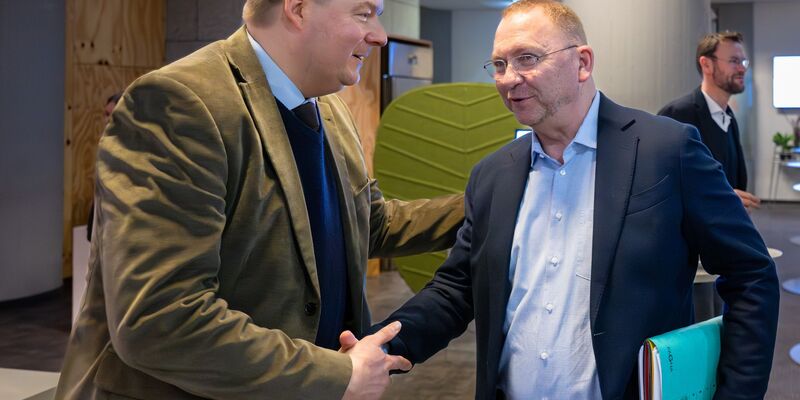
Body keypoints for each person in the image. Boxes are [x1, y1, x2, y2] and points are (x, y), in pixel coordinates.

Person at [366, 1, 779, 399]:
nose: (509, 78)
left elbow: (751, 275)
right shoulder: (493, 176)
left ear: (582, 62)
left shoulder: (666, 150)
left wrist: (737, 391)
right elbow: (457, 289)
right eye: (499, 64)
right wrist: (380, 346)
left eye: (527, 58)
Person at [55, 0, 464, 399]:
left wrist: (491, 199)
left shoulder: (329, 109)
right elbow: (160, 319)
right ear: (299, 8)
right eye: (364, 13)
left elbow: (368, 225)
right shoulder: (180, 103)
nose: (378, 36)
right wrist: (335, 375)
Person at [659, 32, 760, 210]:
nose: (742, 69)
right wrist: (721, 198)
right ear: (706, 64)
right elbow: (660, 183)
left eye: (743, 62)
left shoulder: (728, 117)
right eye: (734, 61)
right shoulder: (677, 115)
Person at [86, 92, 122, 241]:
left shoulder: (131, 153)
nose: (107, 120)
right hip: (101, 226)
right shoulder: (105, 147)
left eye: (112, 115)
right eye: (106, 114)